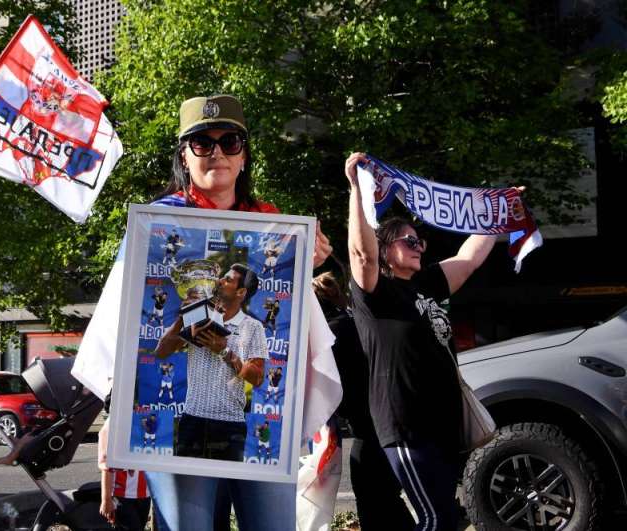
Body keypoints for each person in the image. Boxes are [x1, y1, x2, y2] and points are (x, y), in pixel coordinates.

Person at [140, 94, 333, 531]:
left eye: (229, 142)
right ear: (184, 156)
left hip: (245, 424)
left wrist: (306, 262)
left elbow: (268, 363)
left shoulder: (277, 225)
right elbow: (152, 346)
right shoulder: (155, 223)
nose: (217, 153)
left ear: (244, 156)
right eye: (202, 143)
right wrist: (184, 322)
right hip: (188, 421)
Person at [345, 152, 499, 531]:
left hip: (442, 426)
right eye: (409, 240)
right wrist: (356, 190)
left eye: (420, 241)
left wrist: (500, 211)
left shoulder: (427, 284)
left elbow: (469, 258)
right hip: (406, 426)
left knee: (447, 518)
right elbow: (361, 254)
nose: (419, 246)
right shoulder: (376, 293)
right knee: (436, 519)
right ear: (386, 250)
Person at [312, 271, 414, 531]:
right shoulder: (355, 321)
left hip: (369, 427)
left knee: (372, 499)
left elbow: (331, 391)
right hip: (389, 420)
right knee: (386, 498)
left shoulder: (331, 335)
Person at [155, 263, 267, 461]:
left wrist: (225, 352)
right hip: (192, 419)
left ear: (241, 292)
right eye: (222, 277)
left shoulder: (253, 327)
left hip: (229, 425)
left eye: (228, 280)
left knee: (223, 483)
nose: (220, 281)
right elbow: (161, 351)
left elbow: (257, 378)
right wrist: (184, 316)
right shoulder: (199, 314)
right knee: (187, 481)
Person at [99, 394, 151, 531]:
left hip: (144, 493)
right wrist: (106, 499)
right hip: (121, 495)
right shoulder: (111, 425)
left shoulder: (142, 418)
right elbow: (106, 466)